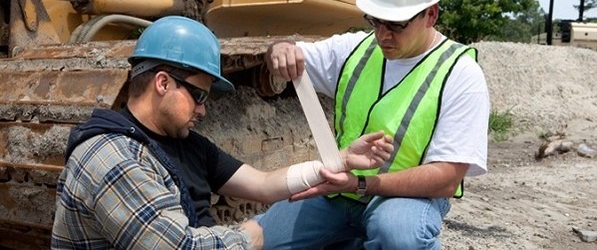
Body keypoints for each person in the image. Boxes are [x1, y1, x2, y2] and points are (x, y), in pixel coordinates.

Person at [51, 15, 394, 249]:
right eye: (199, 95)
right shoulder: (112, 157)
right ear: (162, 83)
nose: (203, 109)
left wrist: (340, 160)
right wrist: (254, 234)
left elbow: (262, 184)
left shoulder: (185, 143)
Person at [256, 0, 490, 249]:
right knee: (259, 239)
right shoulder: (356, 49)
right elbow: (289, 53)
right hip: (338, 195)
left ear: (431, 15)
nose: (382, 35)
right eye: (375, 20)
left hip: (405, 200)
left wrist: (363, 184)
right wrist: (279, 50)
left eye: (396, 24)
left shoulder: (460, 74)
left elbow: (447, 177)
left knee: (399, 234)